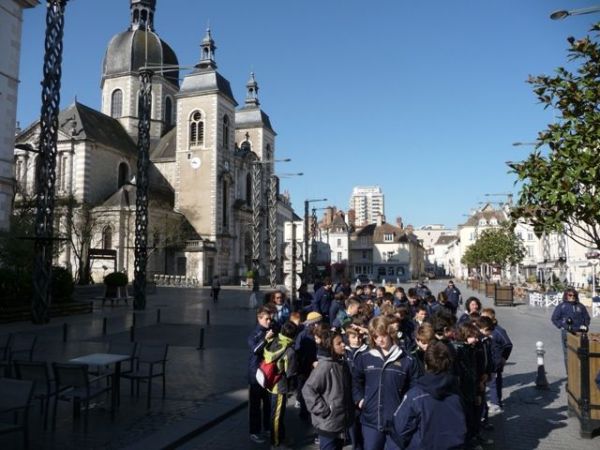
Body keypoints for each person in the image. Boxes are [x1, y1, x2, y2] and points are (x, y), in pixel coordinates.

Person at [352, 316, 417, 450]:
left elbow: (415, 387)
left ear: (390, 333)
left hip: (397, 421)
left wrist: (407, 409)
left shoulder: (407, 360)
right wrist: (359, 399)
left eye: (383, 335)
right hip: (371, 420)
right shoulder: (365, 357)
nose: (380, 340)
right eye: (376, 337)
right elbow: (355, 380)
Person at [391, 341, 466, 450]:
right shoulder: (456, 391)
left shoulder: (415, 395)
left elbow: (400, 429)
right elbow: (465, 421)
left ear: (425, 364)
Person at [303, 330, 355, 450]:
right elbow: (308, 389)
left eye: (343, 342)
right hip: (328, 424)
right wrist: (324, 410)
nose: (343, 345)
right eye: (339, 343)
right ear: (330, 347)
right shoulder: (325, 366)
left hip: (340, 421)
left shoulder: (341, 364)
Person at [263, 321, 299, 449]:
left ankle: (280, 437)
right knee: (277, 416)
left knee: (275, 413)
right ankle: (276, 443)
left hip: (269, 382)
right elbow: (290, 373)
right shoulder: (289, 351)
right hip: (280, 386)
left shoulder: (275, 340)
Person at [247, 306, 275, 444]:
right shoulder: (255, 333)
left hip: (268, 373)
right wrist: (266, 339)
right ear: (259, 318)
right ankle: (254, 431)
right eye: (266, 319)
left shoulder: (271, 330)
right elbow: (255, 349)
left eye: (270, 318)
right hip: (256, 374)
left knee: (268, 403)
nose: (269, 321)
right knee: (255, 405)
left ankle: (268, 428)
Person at [551, 288, 591, 374]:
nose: (572, 297)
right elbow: (554, 318)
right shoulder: (562, 306)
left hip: (580, 332)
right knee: (568, 354)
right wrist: (563, 326)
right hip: (567, 332)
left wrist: (585, 325)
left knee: (582, 353)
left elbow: (587, 317)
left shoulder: (580, 306)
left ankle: (581, 373)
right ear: (566, 296)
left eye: (574, 295)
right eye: (570, 295)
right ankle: (570, 374)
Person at [481, 308, 512, 411]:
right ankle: (497, 400)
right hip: (489, 361)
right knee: (493, 381)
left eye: (484, 317)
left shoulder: (498, 331)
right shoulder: (485, 329)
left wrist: (504, 358)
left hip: (495, 361)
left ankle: (495, 403)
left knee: (494, 382)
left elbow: (508, 344)